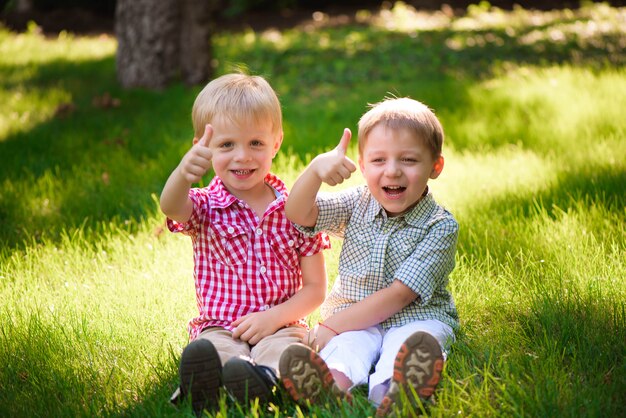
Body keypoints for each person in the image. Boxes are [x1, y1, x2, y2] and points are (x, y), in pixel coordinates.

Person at [160, 73, 329, 415]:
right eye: (226, 145)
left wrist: (274, 317)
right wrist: (182, 174)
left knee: (285, 353)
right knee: (213, 349)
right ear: (203, 147)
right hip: (223, 325)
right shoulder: (205, 206)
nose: (243, 157)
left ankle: (260, 383)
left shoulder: (296, 209)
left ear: (276, 142)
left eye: (255, 143)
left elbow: (315, 289)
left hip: (281, 324)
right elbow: (171, 206)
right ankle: (207, 383)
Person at [278, 97, 459, 416]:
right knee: (347, 349)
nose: (392, 171)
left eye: (408, 160)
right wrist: (316, 170)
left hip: (417, 317)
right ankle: (330, 388)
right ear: (362, 166)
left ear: (435, 167)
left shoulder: (440, 227)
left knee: (411, 344)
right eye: (378, 161)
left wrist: (332, 325)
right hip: (356, 318)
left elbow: (399, 296)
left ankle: (393, 395)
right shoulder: (356, 203)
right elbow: (298, 213)